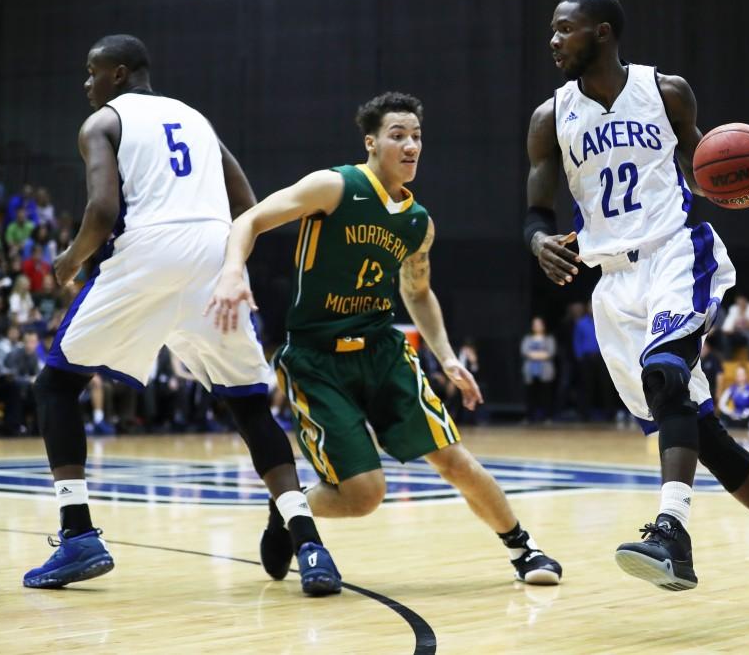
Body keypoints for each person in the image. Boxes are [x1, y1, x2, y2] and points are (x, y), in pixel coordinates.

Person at [523, 0, 749, 616]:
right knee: (702, 435)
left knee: (666, 373)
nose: (553, 40)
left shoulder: (665, 92)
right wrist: (539, 240)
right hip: (613, 284)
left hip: (676, 253)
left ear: (601, 32)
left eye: (564, 30)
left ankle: (672, 533)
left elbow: (708, 166)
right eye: (551, 31)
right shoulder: (551, 118)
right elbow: (536, 213)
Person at [207, 91, 562, 587]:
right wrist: (231, 272)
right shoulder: (333, 186)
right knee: (365, 495)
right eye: (398, 135)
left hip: (382, 352)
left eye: (417, 136)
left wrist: (447, 358)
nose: (411, 144)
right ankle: (289, 505)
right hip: (316, 359)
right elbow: (250, 219)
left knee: (451, 456)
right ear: (371, 143)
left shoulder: (418, 222)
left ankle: (524, 549)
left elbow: (418, 293)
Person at [24, 34, 335, 595]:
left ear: (117, 74)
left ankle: (78, 534)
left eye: (92, 72)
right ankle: (310, 543)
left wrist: (69, 263)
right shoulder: (197, 119)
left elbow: (102, 209)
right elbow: (249, 203)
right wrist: (229, 262)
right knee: (247, 404)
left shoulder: (103, 122)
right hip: (214, 255)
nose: (86, 84)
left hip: (148, 252)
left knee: (54, 385)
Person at [521, 316, 557, 422]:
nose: (538, 326)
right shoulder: (527, 339)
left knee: (545, 394)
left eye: (539, 324)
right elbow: (524, 351)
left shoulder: (549, 339)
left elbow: (550, 352)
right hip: (530, 370)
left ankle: (547, 417)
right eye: (535, 324)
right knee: (531, 394)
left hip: (545, 370)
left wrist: (534, 355)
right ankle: (529, 417)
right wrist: (540, 354)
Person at [719, 294, 749, 361]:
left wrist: (743, 317)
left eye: (742, 301)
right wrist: (732, 329)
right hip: (738, 334)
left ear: (746, 301)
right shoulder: (733, 308)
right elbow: (726, 329)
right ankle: (727, 362)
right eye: (738, 302)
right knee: (725, 338)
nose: (740, 303)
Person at [717, 365, 749, 429]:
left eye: (742, 374)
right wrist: (730, 412)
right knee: (722, 415)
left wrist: (747, 412)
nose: (740, 377)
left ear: (746, 375)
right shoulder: (732, 388)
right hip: (735, 415)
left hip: (747, 414)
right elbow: (721, 403)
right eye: (738, 374)